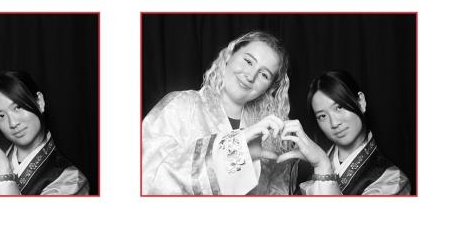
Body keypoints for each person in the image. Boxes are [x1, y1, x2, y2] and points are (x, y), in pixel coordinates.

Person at [142, 31, 296, 195]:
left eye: (264, 74)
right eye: (248, 61)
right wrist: (234, 148)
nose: (251, 76)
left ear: (270, 88)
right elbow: (147, 178)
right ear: (229, 55)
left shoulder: (271, 137)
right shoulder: (180, 106)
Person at [279, 70, 411, 195]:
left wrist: (323, 166)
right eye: (322, 116)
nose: (334, 123)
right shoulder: (303, 166)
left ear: (361, 102)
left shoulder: (392, 179)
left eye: (339, 107)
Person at [0, 70, 89, 195]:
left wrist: (1, 166)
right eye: (1, 116)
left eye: (18, 107)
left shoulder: (71, 179)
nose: (13, 123)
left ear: (40, 102)